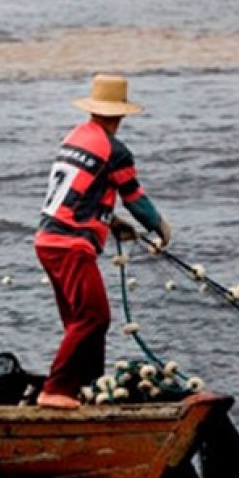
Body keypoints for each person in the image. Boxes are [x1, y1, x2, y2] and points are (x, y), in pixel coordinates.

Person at [34, 74, 173, 410]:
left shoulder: (75, 137)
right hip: (72, 245)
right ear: (121, 115)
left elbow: (81, 192)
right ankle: (54, 391)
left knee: (78, 320)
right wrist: (160, 227)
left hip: (47, 239)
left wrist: (111, 224)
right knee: (94, 318)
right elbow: (134, 197)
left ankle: (85, 385)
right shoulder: (115, 151)